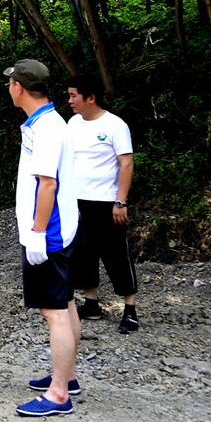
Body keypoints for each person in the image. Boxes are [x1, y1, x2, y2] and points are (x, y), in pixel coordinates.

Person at [6, 59, 81, 417]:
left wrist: (37, 233)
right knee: (64, 305)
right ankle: (67, 376)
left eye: (10, 83)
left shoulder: (49, 128)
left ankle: (58, 394)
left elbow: (47, 183)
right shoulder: (44, 123)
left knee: (56, 313)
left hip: (49, 232)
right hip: (55, 228)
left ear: (19, 87)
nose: (9, 89)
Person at [66, 74, 139, 334]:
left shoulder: (115, 125)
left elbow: (126, 163)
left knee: (116, 253)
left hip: (108, 202)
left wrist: (121, 201)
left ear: (91, 97)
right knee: (83, 252)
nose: (70, 100)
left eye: (74, 95)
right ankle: (92, 303)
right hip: (78, 200)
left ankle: (129, 310)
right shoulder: (73, 123)